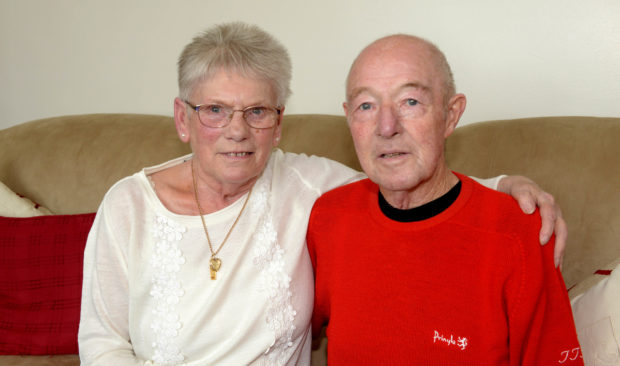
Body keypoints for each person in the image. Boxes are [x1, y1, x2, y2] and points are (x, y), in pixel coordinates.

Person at [78, 22, 568, 365]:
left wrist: (507, 187)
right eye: (214, 110)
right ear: (183, 120)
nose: (236, 131)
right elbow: (101, 344)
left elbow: (412, 185)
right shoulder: (128, 206)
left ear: (278, 124)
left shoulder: (312, 190)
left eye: (256, 111)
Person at [307, 34, 582, 364]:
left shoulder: (521, 232)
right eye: (366, 106)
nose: (387, 126)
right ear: (349, 118)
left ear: (451, 115)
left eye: (410, 102)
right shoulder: (327, 218)